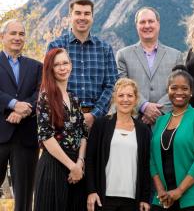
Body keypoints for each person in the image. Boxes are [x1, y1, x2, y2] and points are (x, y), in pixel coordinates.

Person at [150, 65, 194, 210]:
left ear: (191, 92)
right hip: (163, 199)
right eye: (174, 88)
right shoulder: (161, 121)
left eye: (184, 88)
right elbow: (152, 159)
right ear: (168, 91)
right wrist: (160, 191)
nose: (179, 92)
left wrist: (179, 191)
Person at [47, 0, 118, 129]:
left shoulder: (104, 48)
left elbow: (111, 85)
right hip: (63, 119)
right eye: (78, 13)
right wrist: (68, 113)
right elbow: (49, 82)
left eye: (87, 13)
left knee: (96, 151)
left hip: (98, 122)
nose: (82, 17)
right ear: (70, 16)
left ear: (92, 17)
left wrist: (94, 114)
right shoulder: (56, 46)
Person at [34, 48, 88, 211]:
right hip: (53, 166)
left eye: (65, 63)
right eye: (57, 65)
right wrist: (72, 166)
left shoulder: (75, 98)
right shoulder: (45, 97)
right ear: (50, 69)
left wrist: (79, 163)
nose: (62, 68)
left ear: (71, 65)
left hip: (77, 170)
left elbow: (83, 134)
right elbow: (46, 136)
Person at [86, 78, 151, 211]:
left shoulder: (143, 130)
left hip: (132, 199)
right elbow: (90, 160)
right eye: (121, 95)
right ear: (114, 98)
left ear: (136, 99)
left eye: (129, 95)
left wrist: (145, 198)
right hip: (103, 198)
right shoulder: (101, 125)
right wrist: (91, 191)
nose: (125, 99)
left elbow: (146, 165)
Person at [0, 19, 42, 211]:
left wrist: (23, 112)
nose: (18, 38)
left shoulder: (36, 66)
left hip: (26, 138)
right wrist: (14, 104)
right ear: (2, 37)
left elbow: (41, 93)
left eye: (21, 34)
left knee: (24, 197)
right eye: (13, 33)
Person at [116, 7, 183, 125]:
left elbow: (179, 88)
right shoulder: (123, 55)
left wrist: (157, 111)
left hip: (167, 122)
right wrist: (144, 106)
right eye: (142, 22)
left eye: (151, 21)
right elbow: (122, 86)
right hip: (134, 122)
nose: (147, 26)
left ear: (158, 24)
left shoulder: (176, 55)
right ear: (136, 26)